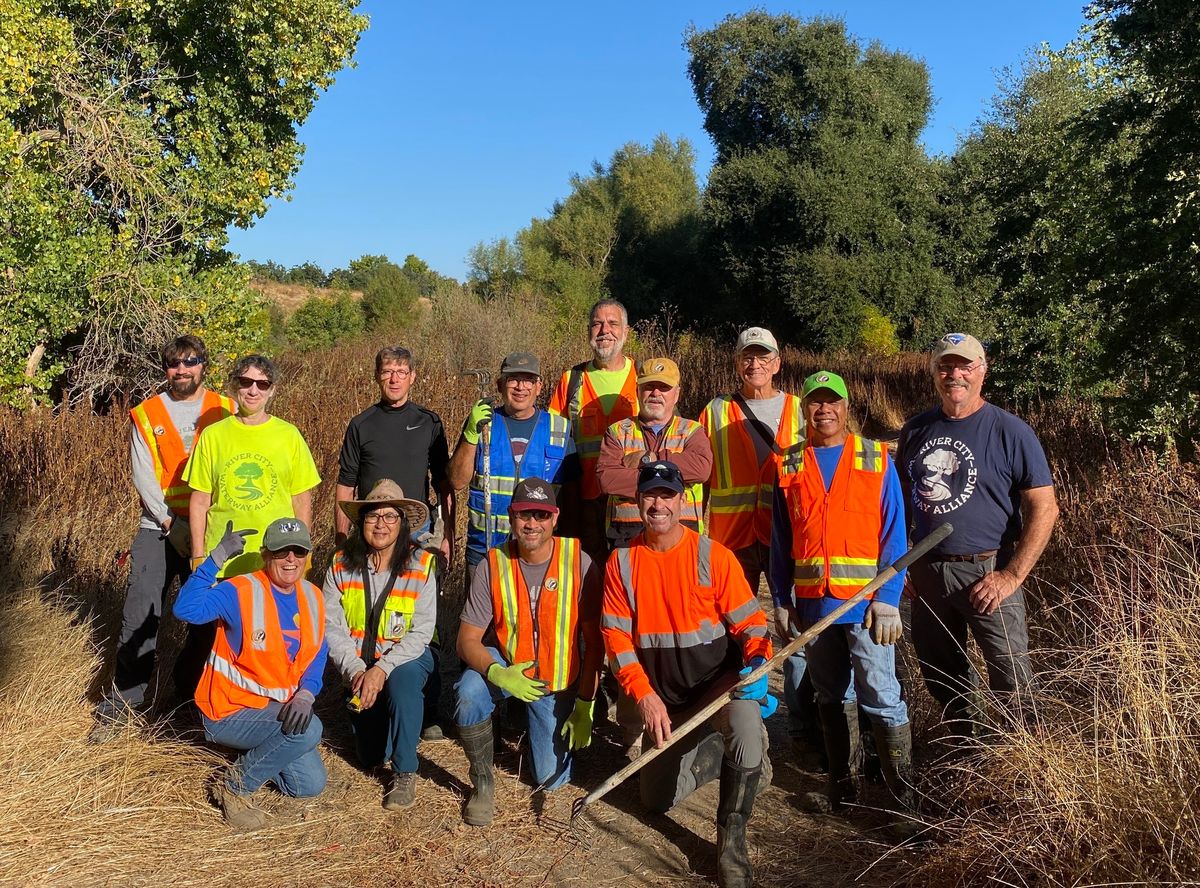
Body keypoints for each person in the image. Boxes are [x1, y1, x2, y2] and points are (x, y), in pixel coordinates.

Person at [602, 461, 773, 888]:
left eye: (667, 494)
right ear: (637, 501)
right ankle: (724, 755)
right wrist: (643, 695)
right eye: (649, 495)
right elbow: (617, 640)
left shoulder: (714, 556)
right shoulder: (621, 563)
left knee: (747, 724)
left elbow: (753, 626)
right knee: (654, 800)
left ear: (683, 501)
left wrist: (756, 663)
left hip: (718, 691)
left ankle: (731, 839)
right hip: (666, 703)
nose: (658, 504)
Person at [770, 371, 914, 831]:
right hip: (814, 607)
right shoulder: (788, 465)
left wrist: (888, 597)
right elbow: (780, 541)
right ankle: (843, 790)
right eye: (815, 402)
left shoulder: (875, 458)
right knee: (831, 695)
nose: (824, 410)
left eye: (833, 402)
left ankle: (901, 802)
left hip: (867, 608)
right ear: (805, 409)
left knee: (882, 695)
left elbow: (895, 534)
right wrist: (780, 599)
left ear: (847, 408)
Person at [897, 333, 1058, 739]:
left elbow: (1045, 507)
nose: (955, 375)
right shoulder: (916, 430)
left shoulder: (1010, 431)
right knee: (941, 673)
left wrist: (1011, 576)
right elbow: (898, 504)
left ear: (982, 371)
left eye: (965, 366)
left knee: (1011, 676)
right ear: (934, 373)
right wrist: (903, 567)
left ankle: (1028, 764)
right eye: (946, 367)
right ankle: (967, 755)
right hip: (928, 574)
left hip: (988, 573)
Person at [97, 335, 235, 729]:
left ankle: (190, 696)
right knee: (140, 614)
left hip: (209, 529)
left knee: (208, 616)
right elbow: (143, 475)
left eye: (190, 362)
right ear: (165, 368)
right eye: (174, 363)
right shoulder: (147, 413)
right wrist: (168, 521)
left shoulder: (226, 410)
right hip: (158, 528)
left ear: (203, 365)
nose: (182, 369)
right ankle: (125, 703)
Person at [698, 327, 818, 763]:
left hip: (785, 534)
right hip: (731, 540)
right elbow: (700, 473)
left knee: (794, 624)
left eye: (763, 357)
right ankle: (738, 709)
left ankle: (803, 716)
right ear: (737, 363)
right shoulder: (714, 411)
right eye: (748, 357)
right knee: (734, 626)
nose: (755, 365)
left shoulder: (797, 409)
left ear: (778, 362)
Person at [454, 478, 603, 826]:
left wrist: (586, 702)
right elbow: (466, 640)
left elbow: (595, 642)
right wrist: (497, 673)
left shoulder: (580, 563)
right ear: (511, 516)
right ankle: (482, 781)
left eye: (541, 515)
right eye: (524, 515)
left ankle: (536, 718)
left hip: (553, 681)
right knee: (468, 693)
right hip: (508, 665)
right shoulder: (492, 563)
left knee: (551, 780)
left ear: (555, 518)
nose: (531, 523)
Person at [174, 517, 328, 831]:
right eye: (282, 551)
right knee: (310, 730)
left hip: (276, 709)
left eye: (298, 552)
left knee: (309, 785)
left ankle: (255, 752)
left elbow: (317, 652)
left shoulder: (313, 596)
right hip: (229, 710)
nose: (290, 559)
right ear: (266, 554)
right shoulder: (241, 590)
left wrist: (307, 692)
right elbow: (186, 609)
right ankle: (235, 787)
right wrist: (216, 558)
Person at [334, 344, 454, 740]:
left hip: (418, 532)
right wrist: (341, 540)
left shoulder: (430, 423)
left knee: (425, 626)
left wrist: (448, 533)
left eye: (402, 371)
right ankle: (366, 688)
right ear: (377, 376)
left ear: (413, 376)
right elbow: (346, 486)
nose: (394, 378)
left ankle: (428, 706)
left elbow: (444, 483)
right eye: (387, 371)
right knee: (370, 615)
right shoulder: (361, 425)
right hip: (372, 530)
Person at [324, 480, 438, 810]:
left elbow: (421, 632)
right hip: (359, 668)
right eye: (374, 516)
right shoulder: (339, 564)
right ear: (362, 523)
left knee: (403, 679)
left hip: (406, 660)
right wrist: (358, 670)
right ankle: (392, 722)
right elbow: (331, 626)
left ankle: (405, 772)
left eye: (390, 516)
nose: (382, 524)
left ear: (402, 524)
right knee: (370, 755)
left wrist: (382, 669)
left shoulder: (422, 565)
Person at [184, 354, 321, 579]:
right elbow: (200, 501)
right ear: (235, 386)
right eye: (246, 382)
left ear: (272, 390)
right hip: (222, 561)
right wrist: (198, 556)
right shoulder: (212, 436)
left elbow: (301, 499)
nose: (253, 391)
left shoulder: (289, 435)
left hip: (277, 558)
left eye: (262, 384)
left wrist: (302, 553)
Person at [448, 352, 577, 584]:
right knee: (481, 619)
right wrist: (470, 433)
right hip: (485, 549)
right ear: (500, 385)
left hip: (539, 553)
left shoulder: (559, 429)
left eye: (528, 380)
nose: (520, 387)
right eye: (512, 379)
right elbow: (456, 481)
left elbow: (572, 498)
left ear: (539, 386)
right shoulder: (483, 424)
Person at [549, 299, 639, 562]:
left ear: (626, 331)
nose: (604, 331)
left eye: (612, 324)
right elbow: (553, 444)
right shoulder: (571, 380)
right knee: (584, 579)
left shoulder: (644, 380)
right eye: (597, 324)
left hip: (629, 504)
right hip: (581, 504)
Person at [596, 356, 712, 548]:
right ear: (638, 391)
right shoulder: (617, 431)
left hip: (683, 536)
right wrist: (669, 477)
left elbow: (701, 469)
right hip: (627, 538)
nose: (655, 393)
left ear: (677, 394)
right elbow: (606, 479)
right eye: (649, 386)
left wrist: (652, 458)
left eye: (664, 387)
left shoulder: (692, 430)